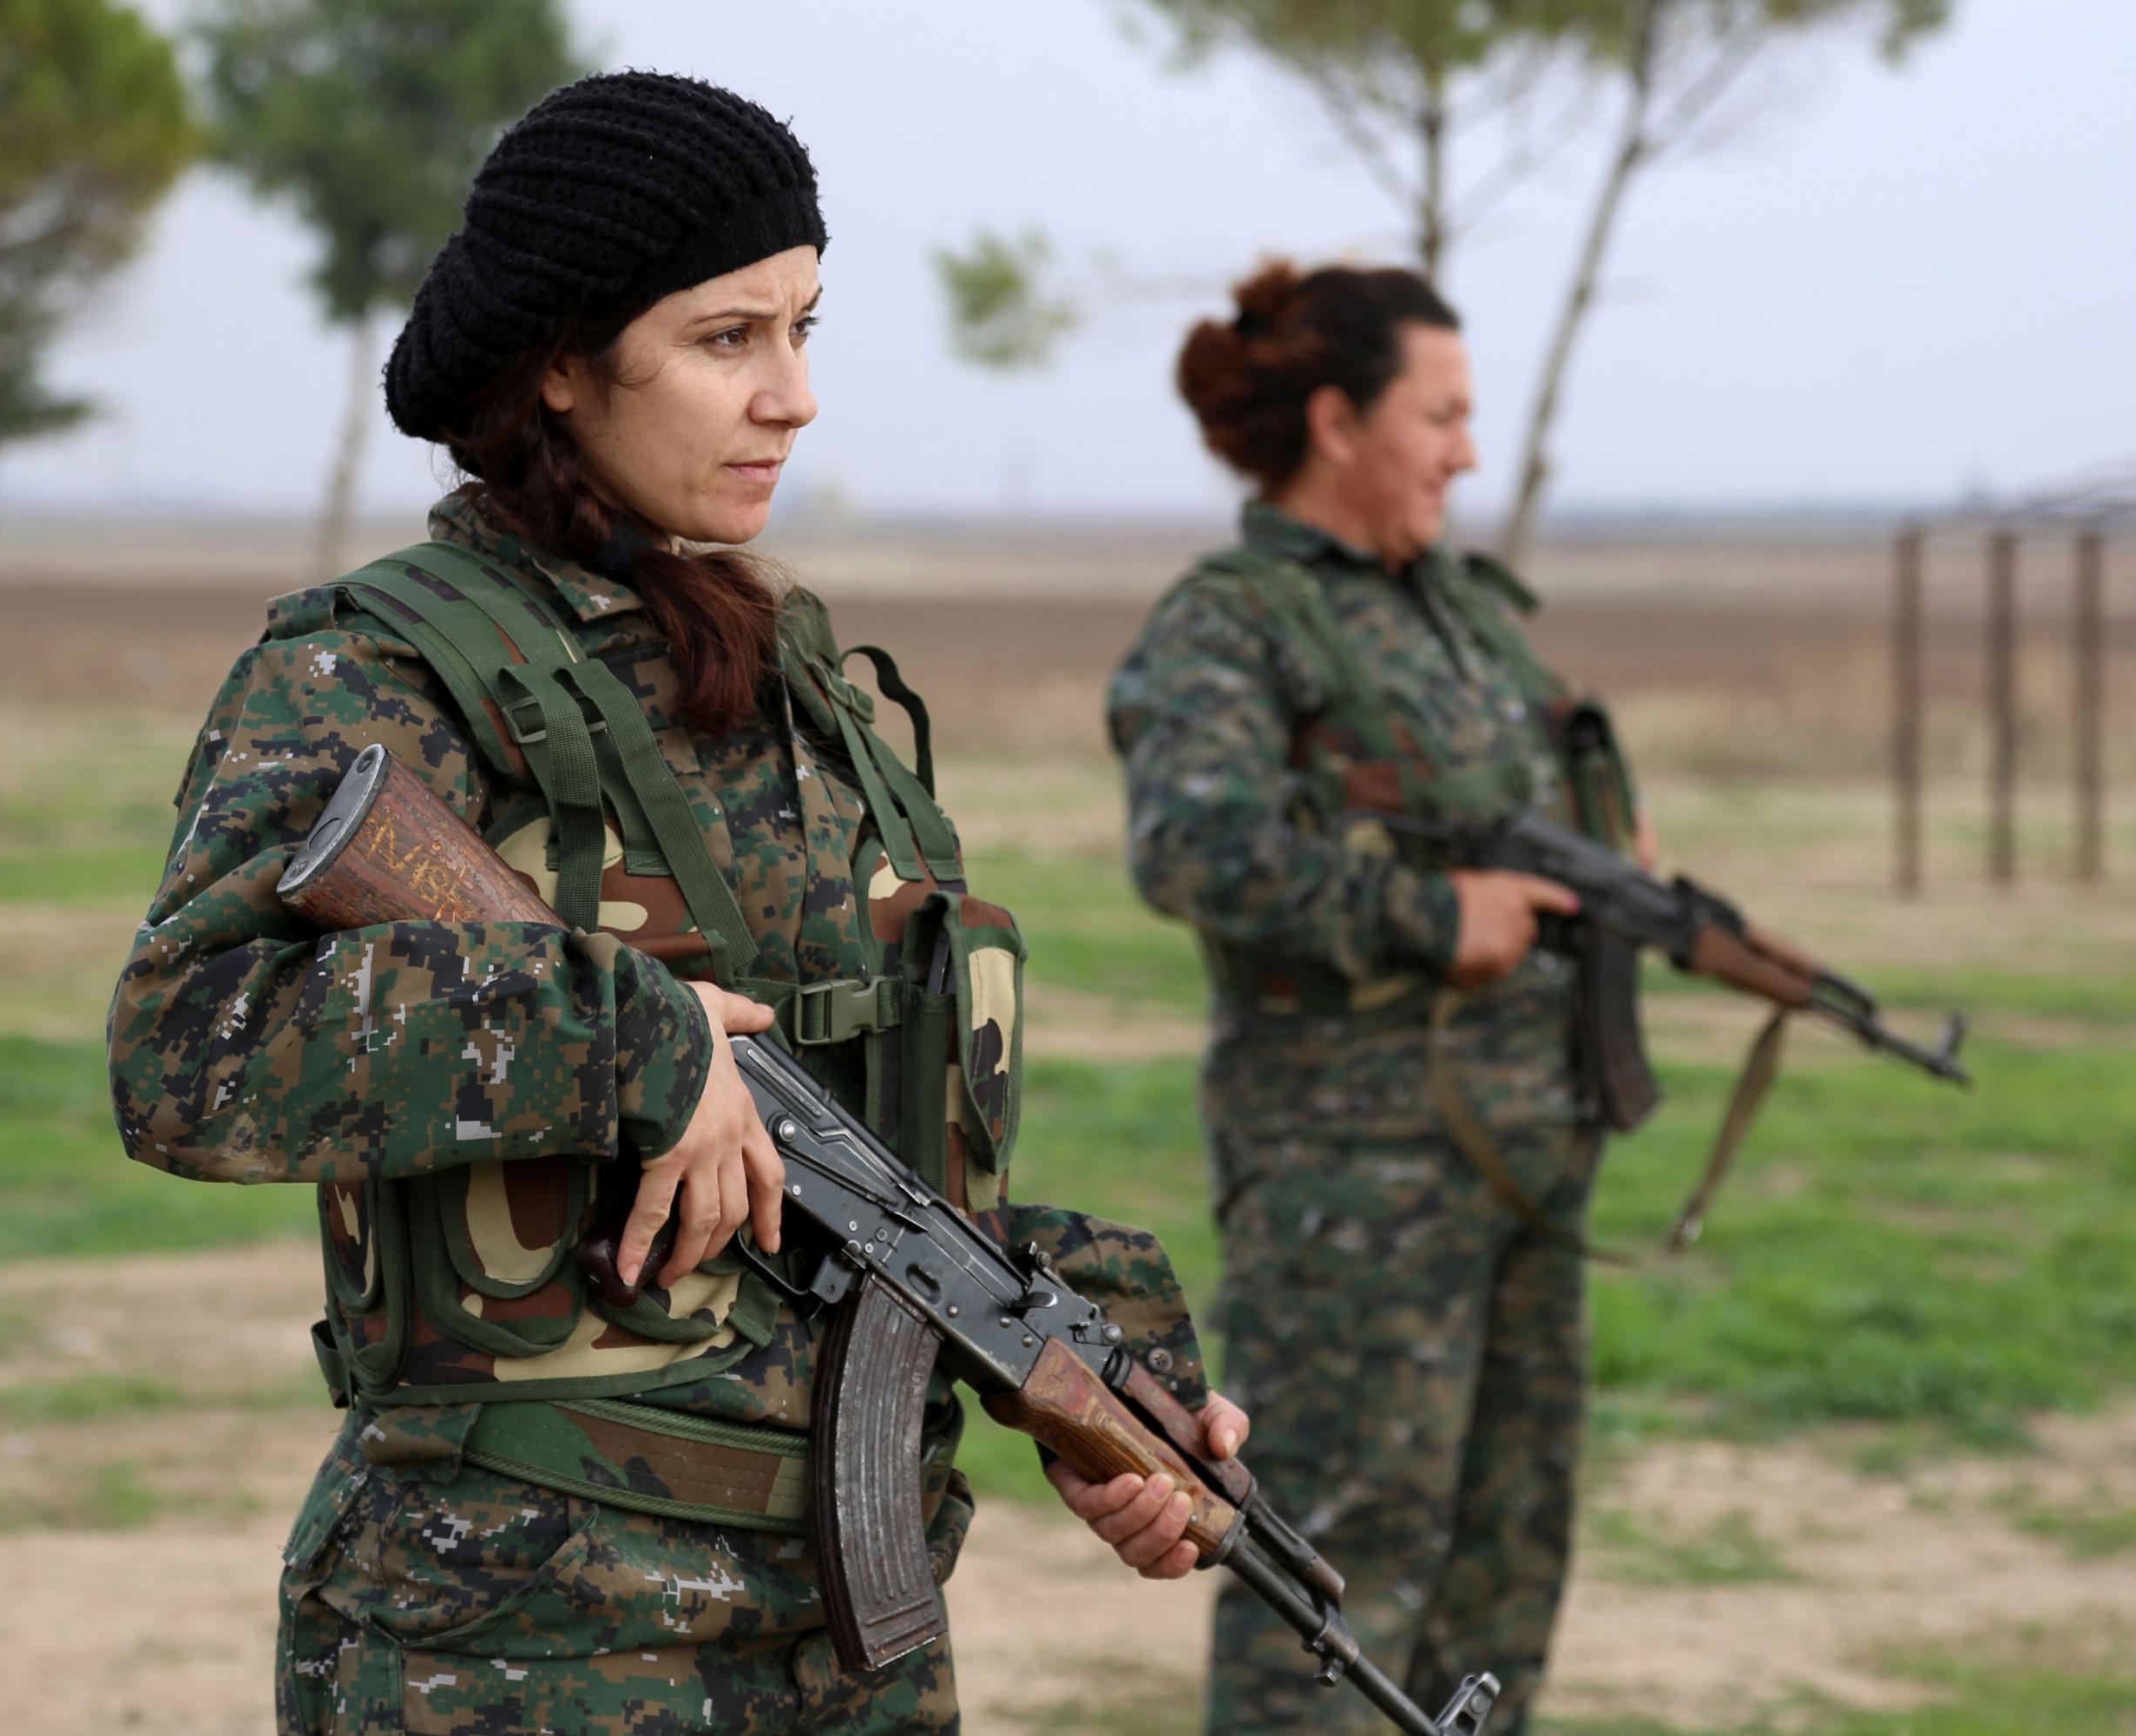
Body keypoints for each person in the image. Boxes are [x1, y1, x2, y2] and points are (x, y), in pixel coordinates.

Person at [108, 71, 1243, 1736]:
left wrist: (1090, 1352)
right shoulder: (385, 668)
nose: (790, 396)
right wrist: (619, 1042)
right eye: (729, 340)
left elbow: (850, 1160)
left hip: (844, 1644)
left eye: (804, 329)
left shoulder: (794, 677)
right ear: (561, 366)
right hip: (516, 1643)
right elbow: (184, 1052)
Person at [1107, 260, 1653, 1735]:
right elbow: (1195, 846)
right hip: (1355, 1194)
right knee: (1338, 1581)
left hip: (1522, 1165)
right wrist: (1429, 915)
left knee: (1506, 1565)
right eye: (1445, 414)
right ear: (1339, 420)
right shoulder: (1237, 620)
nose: (1469, 451)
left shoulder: (1461, 613)